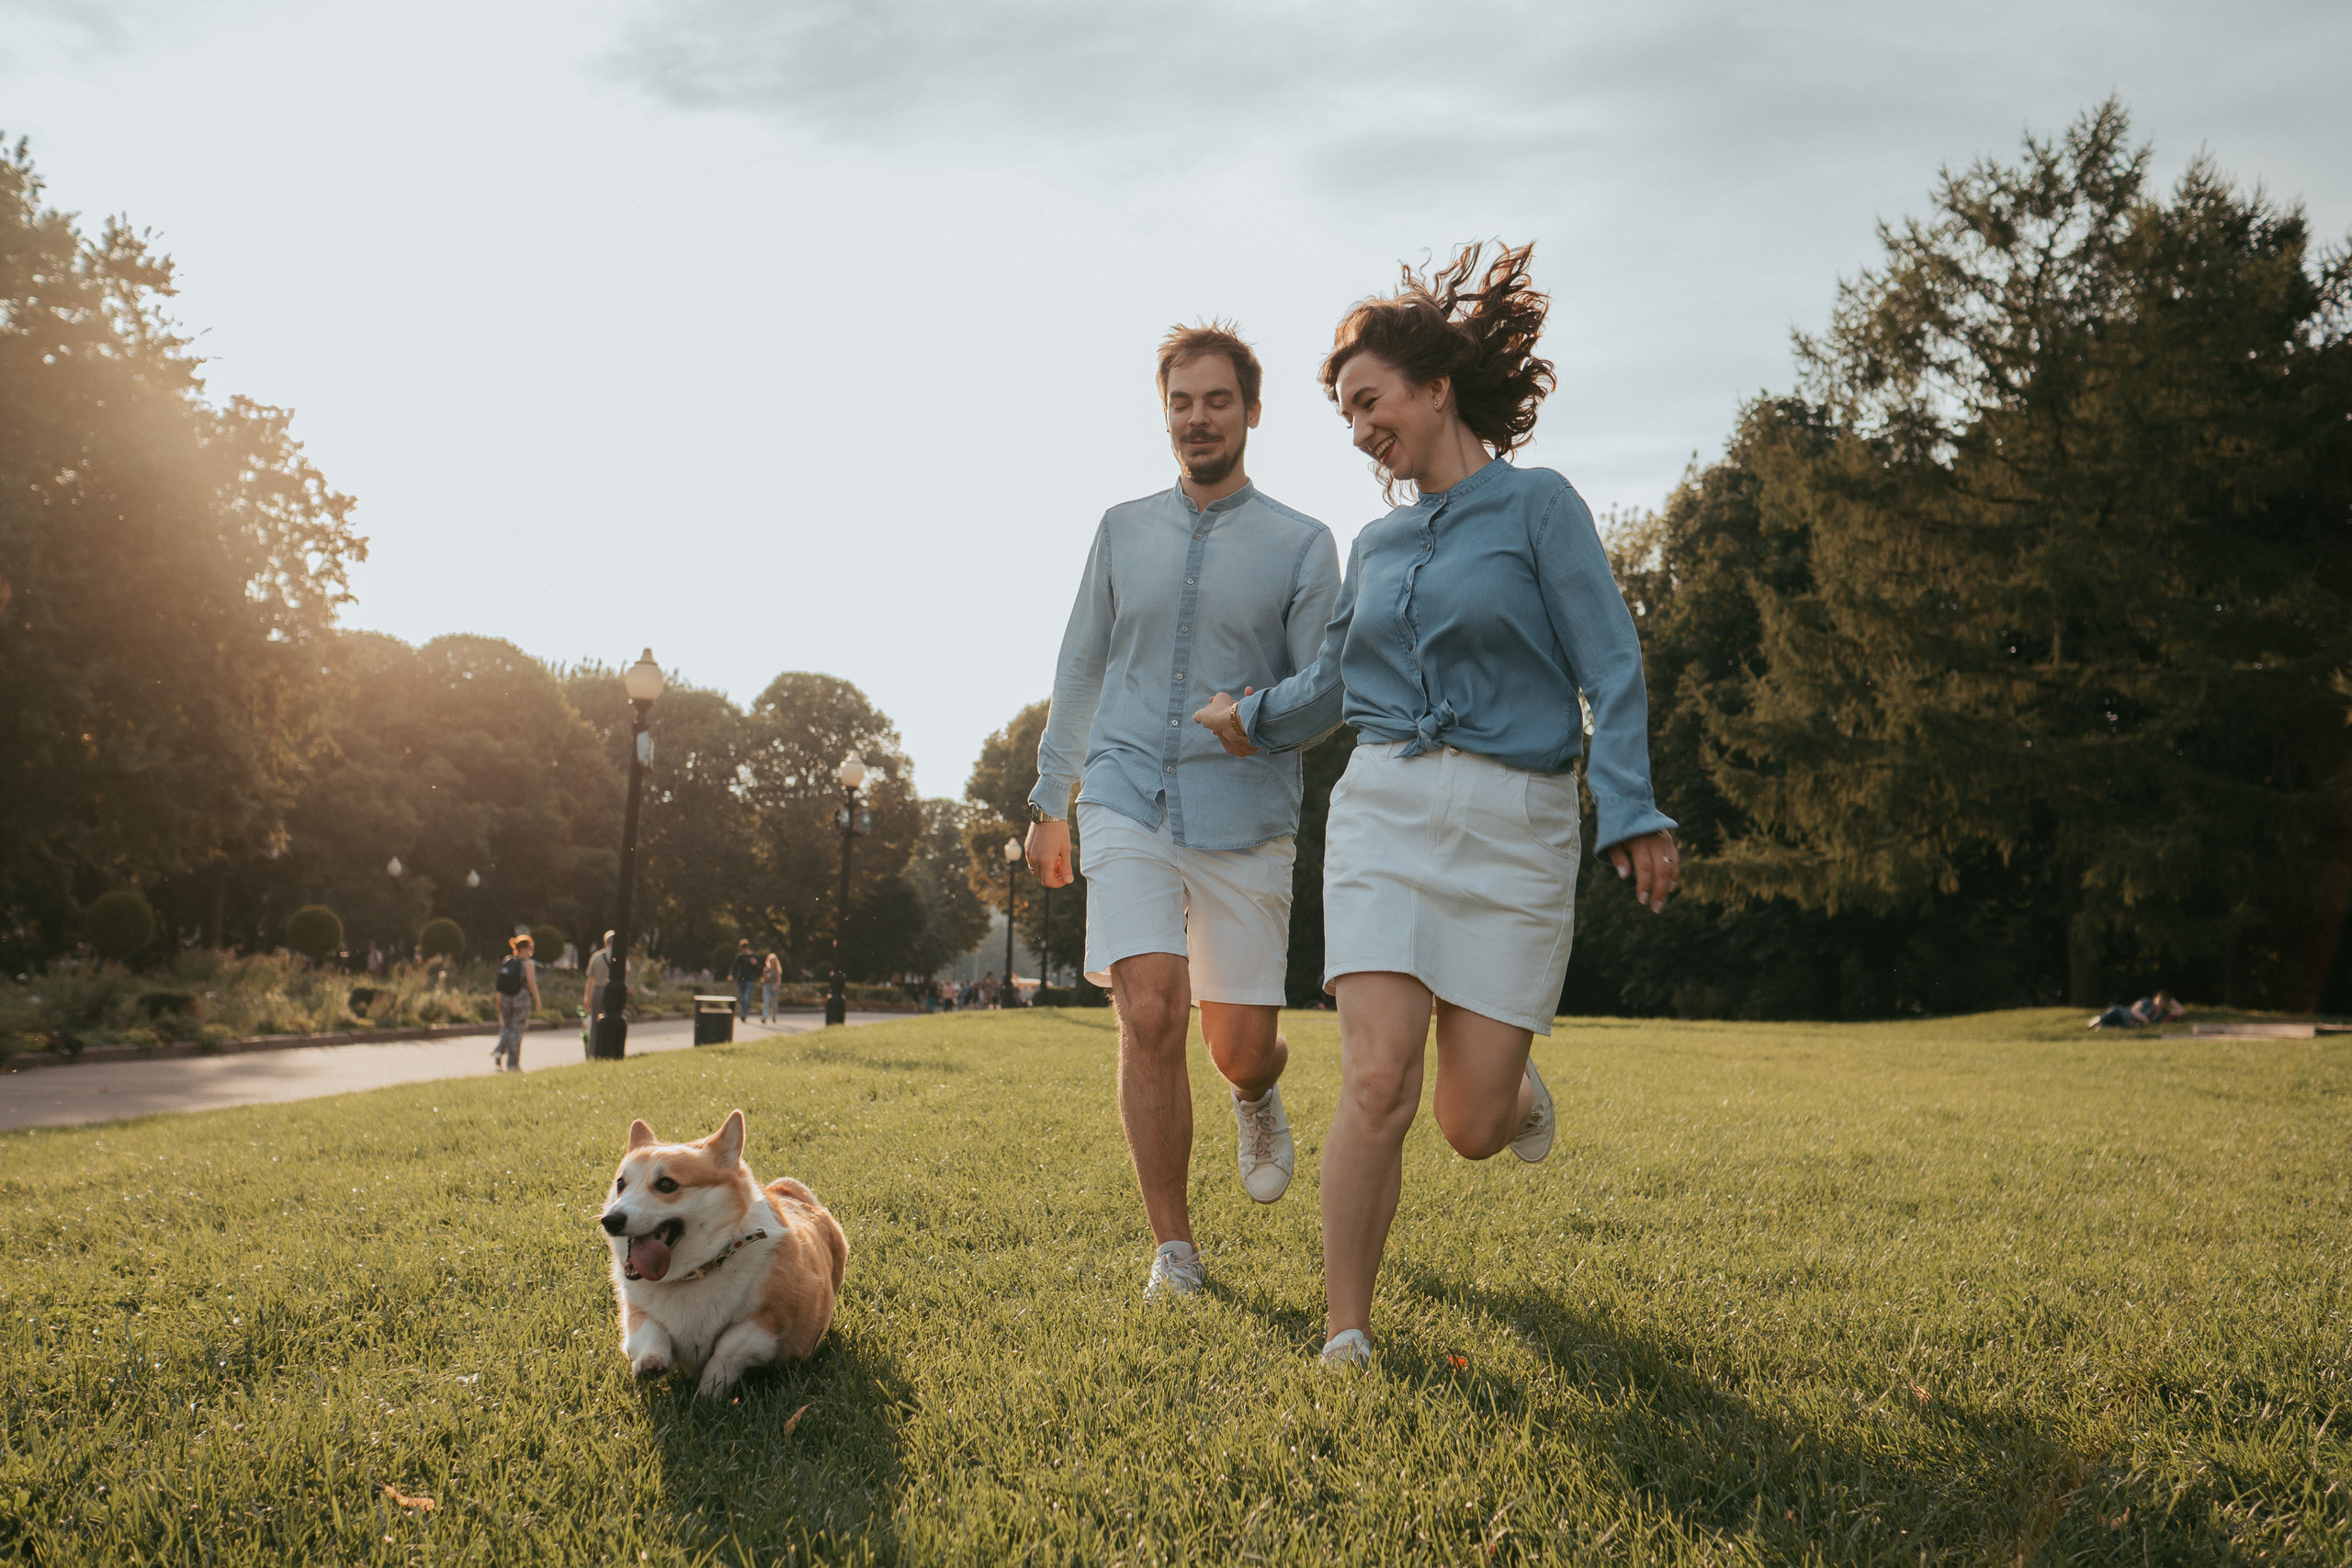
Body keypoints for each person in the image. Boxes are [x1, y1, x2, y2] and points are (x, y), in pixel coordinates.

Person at [1194, 243, 1678, 1365]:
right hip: (1384, 811)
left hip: (1515, 825)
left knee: (1468, 1126)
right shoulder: (1378, 542)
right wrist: (1252, 716)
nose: (1360, 429)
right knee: (1375, 1080)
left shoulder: (1537, 508)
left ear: (1434, 387)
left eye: (1370, 402)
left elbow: (1610, 663)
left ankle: (1507, 1088)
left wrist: (1632, 805)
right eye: (1346, 415)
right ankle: (1346, 1332)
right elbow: (1335, 683)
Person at [1027, 321, 1343, 1301]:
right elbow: (1081, 666)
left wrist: (1250, 717)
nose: (1197, 418)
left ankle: (1256, 1089)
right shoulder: (1121, 530)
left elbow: (1329, 693)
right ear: (1163, 413)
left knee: (1235, 1041)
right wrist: (1050, 800)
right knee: (1152, 1009)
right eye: (1180, 401)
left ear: (1250, 411)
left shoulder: (1302, 543)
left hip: (1243, 810)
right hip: (1123, 790)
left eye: (1216, 400)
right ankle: (1175, 1248)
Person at [492, 934, 541, 1073]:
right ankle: (513, 1064)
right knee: (516, 1031)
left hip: (505, 1000)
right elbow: (531, 984)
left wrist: (498, 1000)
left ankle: (500, 1051)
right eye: (530, 947)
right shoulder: (528, 964)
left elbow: (500, 984)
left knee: (505, 1029)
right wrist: (537, 1001)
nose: (532, 950)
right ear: (524, 948)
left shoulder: (507, 961)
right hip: (521, 1000)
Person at [2088, 989, 2183, 1029]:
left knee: (2104, 1028)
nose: (2160, 1003)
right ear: (2155, 1000)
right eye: (2159, 1000)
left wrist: (2172, 1000)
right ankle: (2088, 1027)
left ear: (2166, 1004)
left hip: (2127, 1023)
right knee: (2101, 1020)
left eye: (2163, 1002)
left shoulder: (2164, 1013)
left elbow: (2182, 1011)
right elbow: (2134, 1010)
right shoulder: (2147, 1002)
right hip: (2121, 1013)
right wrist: (2144, 1019)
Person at [729, 939, 759, 1021]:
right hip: (741, 979)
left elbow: (758, 970)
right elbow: (735, 967)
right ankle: (743, 1011)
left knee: (746, 997)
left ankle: (744, 1014)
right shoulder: (740, 956)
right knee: (742, 998)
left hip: (749, 980)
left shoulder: (754, 956)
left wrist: (755, 964)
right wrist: (731, 975)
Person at [761, 951, 783, 1023]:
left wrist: (775, 986)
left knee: (774, 1003)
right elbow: (764, 979)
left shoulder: (778, 970)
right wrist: (765, 974)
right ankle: (765, 1016)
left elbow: (779, 981)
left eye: (773, 961)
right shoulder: (766, 969)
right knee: (766, 1002)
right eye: (771, 961)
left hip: (775, 986)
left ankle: (774, 1016)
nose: (772, 962)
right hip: (767, 986)